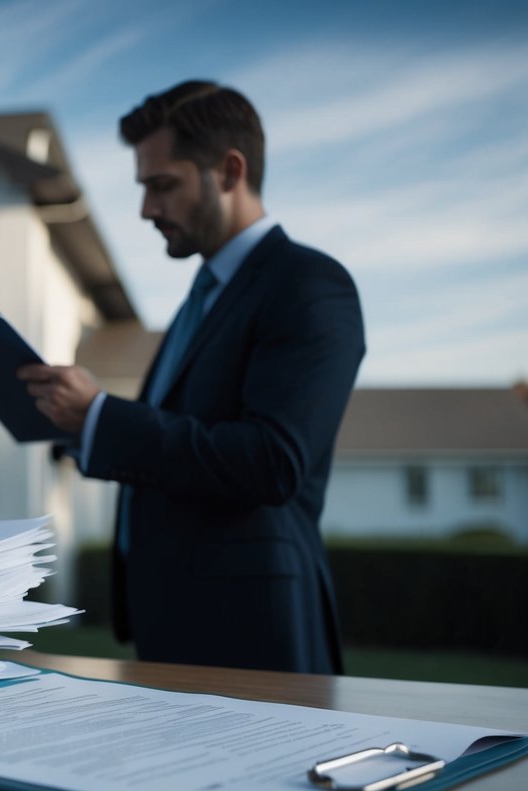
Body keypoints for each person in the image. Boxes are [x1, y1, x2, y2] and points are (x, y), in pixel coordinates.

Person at [18, 80, 365, 674]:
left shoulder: (308, 285)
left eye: (163, 185)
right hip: (171, 623)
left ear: (229, 171)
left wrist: (104, 416)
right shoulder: (201, 300)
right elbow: (186, 439)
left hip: (256, 634)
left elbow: (272, 461)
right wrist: (79, 428)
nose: (147, 209)